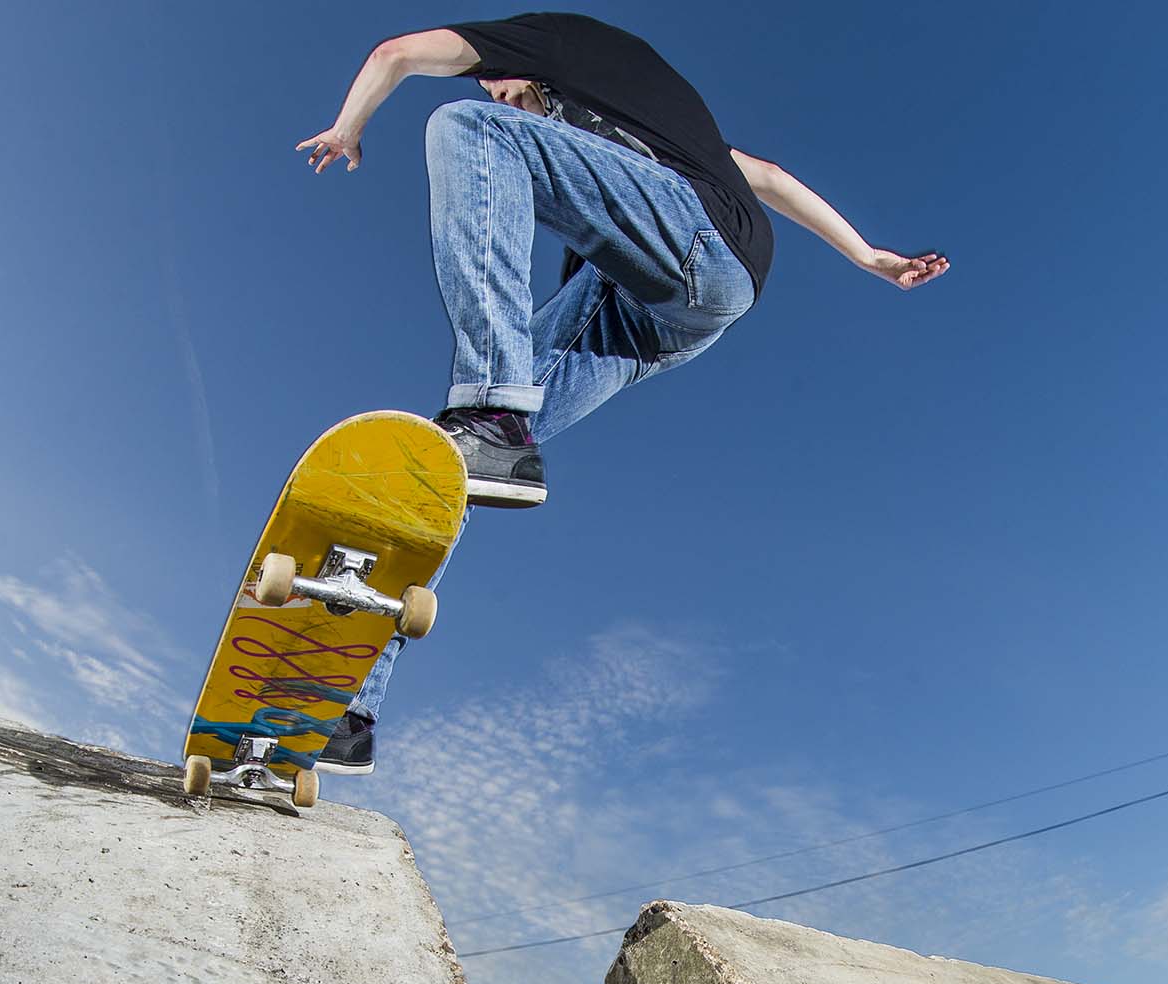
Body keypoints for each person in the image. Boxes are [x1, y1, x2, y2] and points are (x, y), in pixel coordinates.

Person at [296, 12, 949, 773]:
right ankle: (349, 703)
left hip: (696, 241)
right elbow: (766, 177)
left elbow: (398, 53)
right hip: (659, 314)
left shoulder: (558, 50)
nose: (510, 104)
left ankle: (495, 406)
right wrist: (868, 255)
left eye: (510, 93)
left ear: (528, 73)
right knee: (446, 467)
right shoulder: (667, 139)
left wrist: (348, 125)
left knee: (467, 131)